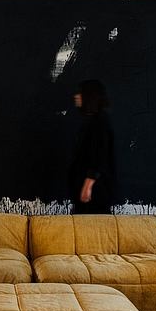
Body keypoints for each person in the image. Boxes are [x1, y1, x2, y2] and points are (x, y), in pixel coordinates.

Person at [68, 79, 117, 214]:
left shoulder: (99, 122)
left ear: (89, 96)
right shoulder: (93, 121)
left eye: (80, 93)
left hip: (95, 192)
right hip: (91, 190)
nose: (76, 96)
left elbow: (99, 156)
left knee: (92, 229)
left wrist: (88, 185)